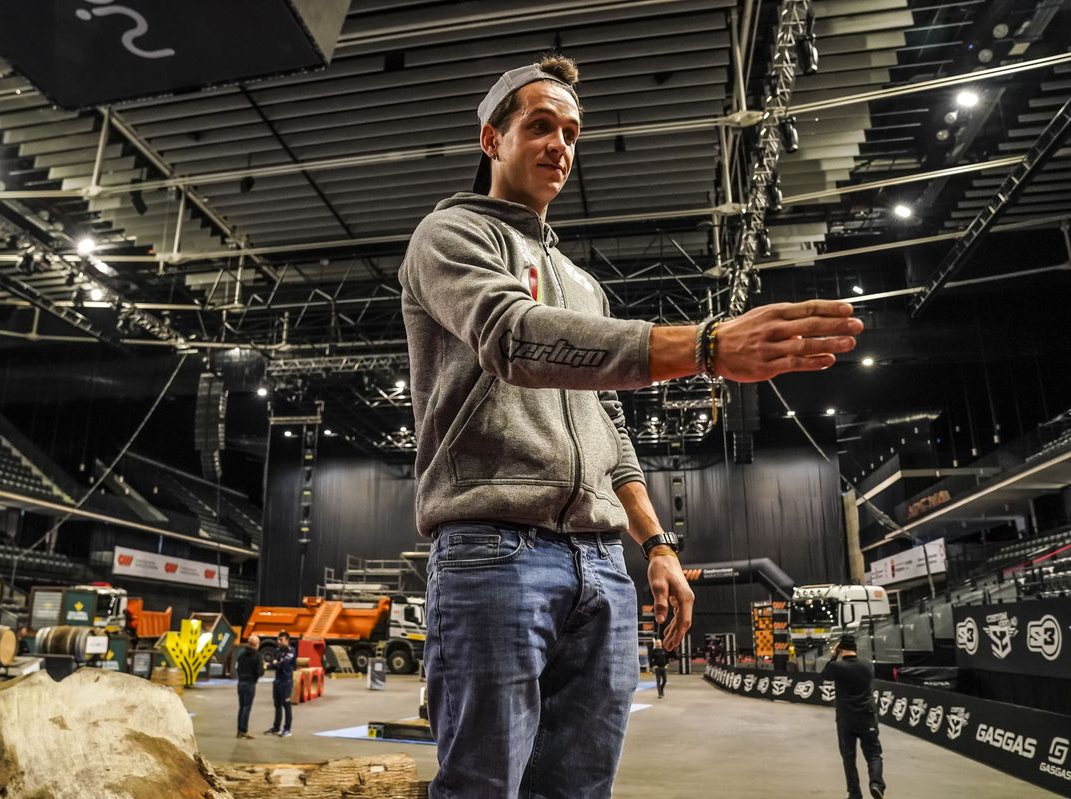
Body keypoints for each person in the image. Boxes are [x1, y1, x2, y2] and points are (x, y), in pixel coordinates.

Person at [398, 54, 862, 797]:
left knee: (582, 786)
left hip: (602, 564)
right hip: (494, 550)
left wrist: (657, 545)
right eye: (540, 126)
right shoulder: (449, 234)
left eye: (571, 133)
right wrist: (705, 346)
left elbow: (609, 422)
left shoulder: (583, 284)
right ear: (492, 139)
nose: (559, 145)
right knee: (483, 785)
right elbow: (512, 337)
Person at [821, 635, 886, 799]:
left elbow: (824, 675)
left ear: (841, 649)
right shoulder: (868, 665)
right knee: (873, 754)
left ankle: (854, 794)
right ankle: (876, 784)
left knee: (848, 758)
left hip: (846, 719)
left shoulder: (837, 667)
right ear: (856, 648)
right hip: (867, 717)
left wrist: (834, 656)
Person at [263, 633, 296, 737]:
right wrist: (275, 663)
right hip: (277, 681)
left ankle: (287, 729)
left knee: (286, 706)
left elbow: (282, 664)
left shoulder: (291, 651)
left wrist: (274, 664)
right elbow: (275, 663)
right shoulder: (277, 651)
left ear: (287, 640)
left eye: (281, 640)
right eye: (278, 639)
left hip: (286, 682)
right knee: (277, 705)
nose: (278, 641)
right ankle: (276, 727)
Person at [235, 635, 264, 739]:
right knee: (247, 707)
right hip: (250, 683)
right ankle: (244, 730)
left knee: (242, 706)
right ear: (256, 645)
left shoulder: (241, 655)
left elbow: (237, 668)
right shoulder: (257, 656)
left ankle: (239, 730)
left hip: (240, 683)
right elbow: (260, 672)